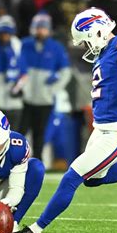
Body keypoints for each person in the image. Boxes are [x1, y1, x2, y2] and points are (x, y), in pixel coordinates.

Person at [4, 7, 117, 233]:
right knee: (93, 179)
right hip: (101, 129)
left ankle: (35, 230)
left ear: (97, 32)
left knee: (72, 176)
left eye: (85, 41)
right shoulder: (103, 55)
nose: (85, 47)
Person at [20, 13, 71, 159]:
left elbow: (66, 73)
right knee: (19, 132)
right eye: (37, 28)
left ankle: (37, 163)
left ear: (48, 30)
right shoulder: (24, 44)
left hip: (45, 100)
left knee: (40, 134)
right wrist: (21, 88)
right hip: (24, 98)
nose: (40, 31)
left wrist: (52, 90)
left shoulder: (56, 48)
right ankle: (14, 161)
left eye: (43, 28)